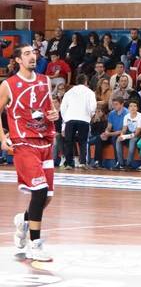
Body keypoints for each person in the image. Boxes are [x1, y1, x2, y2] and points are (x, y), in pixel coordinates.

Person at [0, 44, 59, 261]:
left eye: (34, 53)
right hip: (23, 142)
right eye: (27, 54)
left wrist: (54, 115)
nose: (32, 56)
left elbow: (49, 108)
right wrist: (2, 139)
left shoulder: (45, 80)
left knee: (46, 197)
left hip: (44, 142)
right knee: (40, 190)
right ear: (18, 60)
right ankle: (35, 244)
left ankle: (23, 220)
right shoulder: (8, 85)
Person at [60, 74, 97, 169]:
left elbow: (63, 107)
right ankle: (83, 162)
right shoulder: (90, 92)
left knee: (69, 141)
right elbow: (93, 107)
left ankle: (69, 163)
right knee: (83, 141)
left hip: (70, 119)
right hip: (84, 119)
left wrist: (65, 119)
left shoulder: (69, 92)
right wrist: (90, 115)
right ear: (86, 81)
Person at [115, 100, 141, 170]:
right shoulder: (126, 116)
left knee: (132, 141)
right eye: (131, 106)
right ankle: (121, 164)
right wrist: (121, 136)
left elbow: (137, 133)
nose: (132, 108)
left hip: (138, 135)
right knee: (118, 140)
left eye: (134, 106)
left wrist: (125, 136)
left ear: (137, 108)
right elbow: (124, 129)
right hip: (129, 133)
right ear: (128, 108)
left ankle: (128, 164)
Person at [101, 97, 128, 169]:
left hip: (125, 134)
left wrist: (109, 134)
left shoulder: (127, 113)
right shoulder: (112, 113)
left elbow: (123, 130)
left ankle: (119, 162)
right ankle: (98, 162)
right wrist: (106, 133)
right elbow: (109, 127)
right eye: (113, 104)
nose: (114, 106)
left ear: (122, 104)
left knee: (115, 139)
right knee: (99, 139)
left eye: (116, 104)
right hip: (114, 133)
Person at [87, 104, 108, 168]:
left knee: (98, 140)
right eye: (96, 112)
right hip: (94, 137)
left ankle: (97, 161)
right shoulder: (93, 120)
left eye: (99, 111)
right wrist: (95, 122)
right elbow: (92, 132)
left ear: (103, 112)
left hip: (103, 138)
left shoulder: (106, 120)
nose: (97, 113)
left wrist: (99, 122)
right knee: (93, 140)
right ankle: (93, 161)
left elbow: (103, 131)